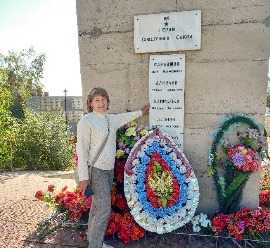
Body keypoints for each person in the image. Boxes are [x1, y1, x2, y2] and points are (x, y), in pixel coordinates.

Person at [76, 87, 149, 248]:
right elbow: (81, 150)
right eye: (97, 100)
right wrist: (83, 178)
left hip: (108, 170)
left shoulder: (111, 119)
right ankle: (95, 246)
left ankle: (94, 242)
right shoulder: (86, 121)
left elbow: (125, 117)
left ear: (108, 102)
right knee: (103, 210)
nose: (100, 103)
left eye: (103, 99)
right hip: (95, 170)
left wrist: (141, 112)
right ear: (91, 103)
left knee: (97, 207)